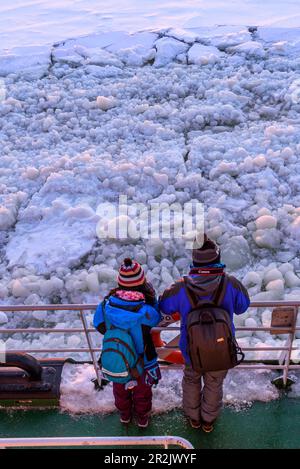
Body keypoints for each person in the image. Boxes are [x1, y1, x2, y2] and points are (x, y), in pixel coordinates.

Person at [159, 234, 250, 433]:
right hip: (222, 348)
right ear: (218, 259)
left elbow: (164, 306)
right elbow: (243, 306)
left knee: (191, 380)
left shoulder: (180, 287)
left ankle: (194, 418)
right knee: (214, 383)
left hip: (191, 350)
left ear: (194, 261)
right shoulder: (231, 283)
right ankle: (208, 420)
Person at [94, 258, 161, 428]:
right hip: (142, 362)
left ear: (119, 282)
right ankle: (142, 418)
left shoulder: (104, 306)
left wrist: (119, 334)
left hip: (118, 359)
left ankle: (124, 415)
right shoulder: (146, 311)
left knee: (120, 390)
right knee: (142, 393)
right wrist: (151, 299)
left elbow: (99, 325)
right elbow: (157, 317)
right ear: (142, 283)